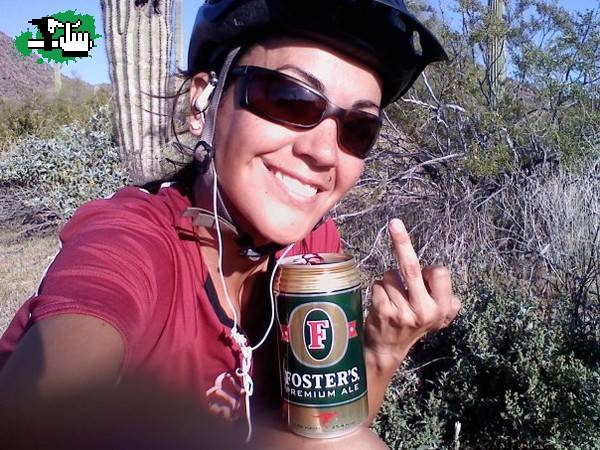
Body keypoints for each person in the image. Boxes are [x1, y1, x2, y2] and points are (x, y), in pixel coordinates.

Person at [0, 0, 460, 447]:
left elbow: (330, 433)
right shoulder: (129, 241)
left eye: (358, 128)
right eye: (290, 99)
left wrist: (380, 354)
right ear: (202, 102)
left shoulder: (311, 249)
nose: (324, 153)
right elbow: (40, 419)